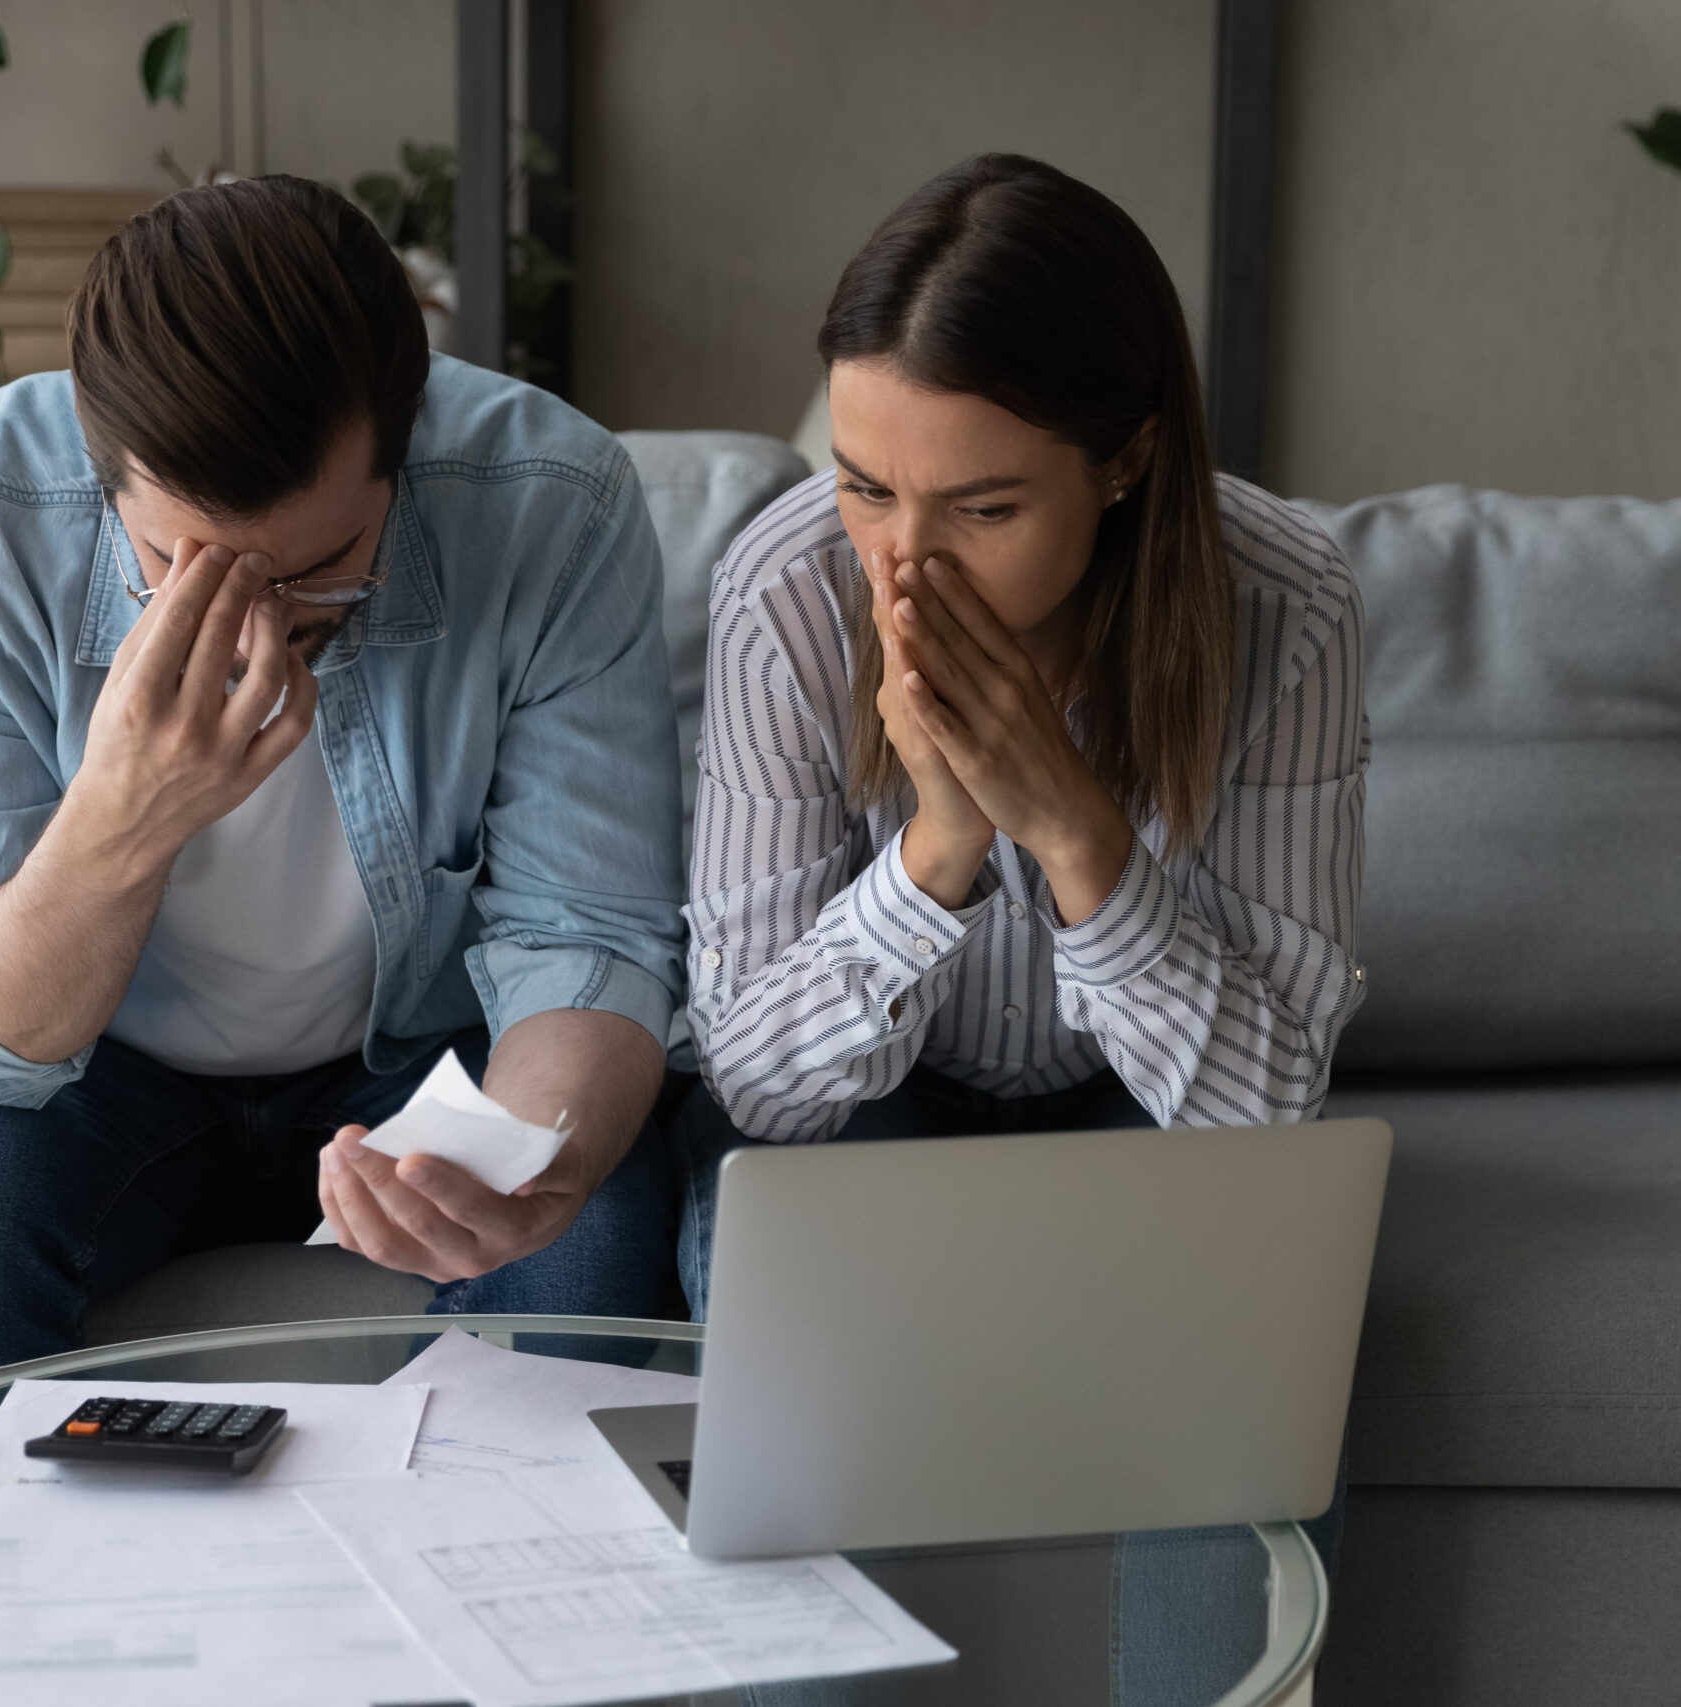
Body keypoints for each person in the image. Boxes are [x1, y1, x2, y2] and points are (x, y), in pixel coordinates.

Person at [0, 176, 690, 1403]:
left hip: (430, 1054)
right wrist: (118, 818)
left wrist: (536, 1166)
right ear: (104, 476)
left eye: (321, 570)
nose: (256, 618)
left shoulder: (552, 508)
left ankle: (502, 1593)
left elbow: (589, 935)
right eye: (179, 564)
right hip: (98, 1075)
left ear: (402, 460)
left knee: (595, 1232)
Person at [677, 154, 1369, 1703]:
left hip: (1160, 1117)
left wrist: (1075, 835)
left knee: (1253, 1330)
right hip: (868, 1112)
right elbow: (762, 1085)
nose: (902, 565)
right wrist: (939, 845)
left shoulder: (1288, 602)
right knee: (795, 1320)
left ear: (1122, 460)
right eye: (866, 484)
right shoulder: (789, 593)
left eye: (982, 504)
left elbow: (1265, 1112)